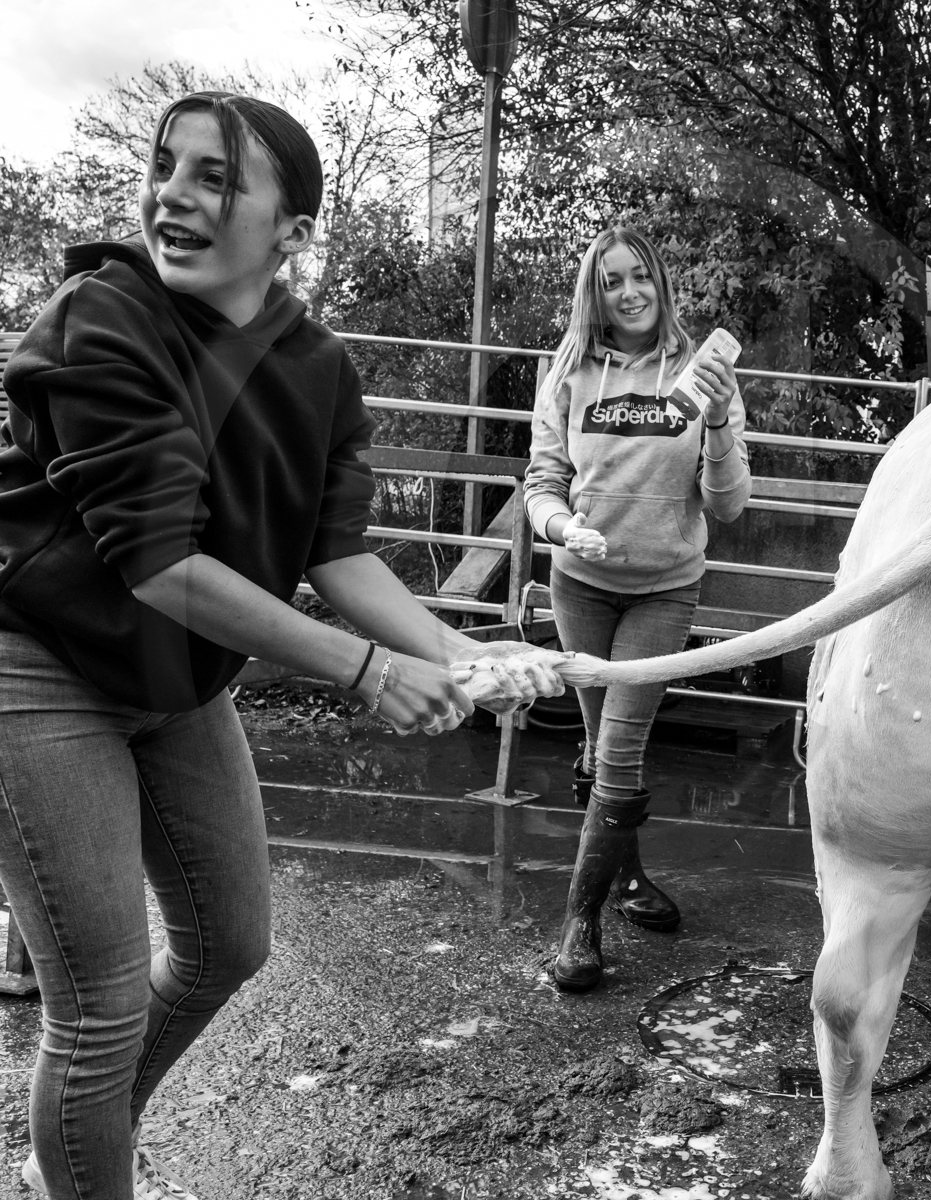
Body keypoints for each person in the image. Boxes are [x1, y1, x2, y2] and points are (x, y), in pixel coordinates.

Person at [0, 91, 547, 1200]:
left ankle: (80, 1139)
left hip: (175, 680)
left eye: (215, 178)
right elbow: (162, 562)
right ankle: (86, 1159)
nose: (175, 195)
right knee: (101, 1006)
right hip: (37, 666)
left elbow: (337, 556)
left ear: (290, 231)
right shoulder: (101, 320)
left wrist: (462, 651)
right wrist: (367, 668)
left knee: (226, 945)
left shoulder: (318, 367)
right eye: (169, 167)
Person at [524, 227, 752, 991]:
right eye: (612, 281)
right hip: (579, 585)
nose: (629, 293)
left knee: (619, 752)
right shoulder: (567, 374)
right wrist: (563, 529)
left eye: (640, 278)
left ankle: (578, 923)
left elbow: (728, 504)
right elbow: (542, 482)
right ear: (596, 294)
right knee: (601, 748)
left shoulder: (703, 374)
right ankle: (626, 881)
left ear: (660, 283)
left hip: (664, 589)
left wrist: (717, 421)